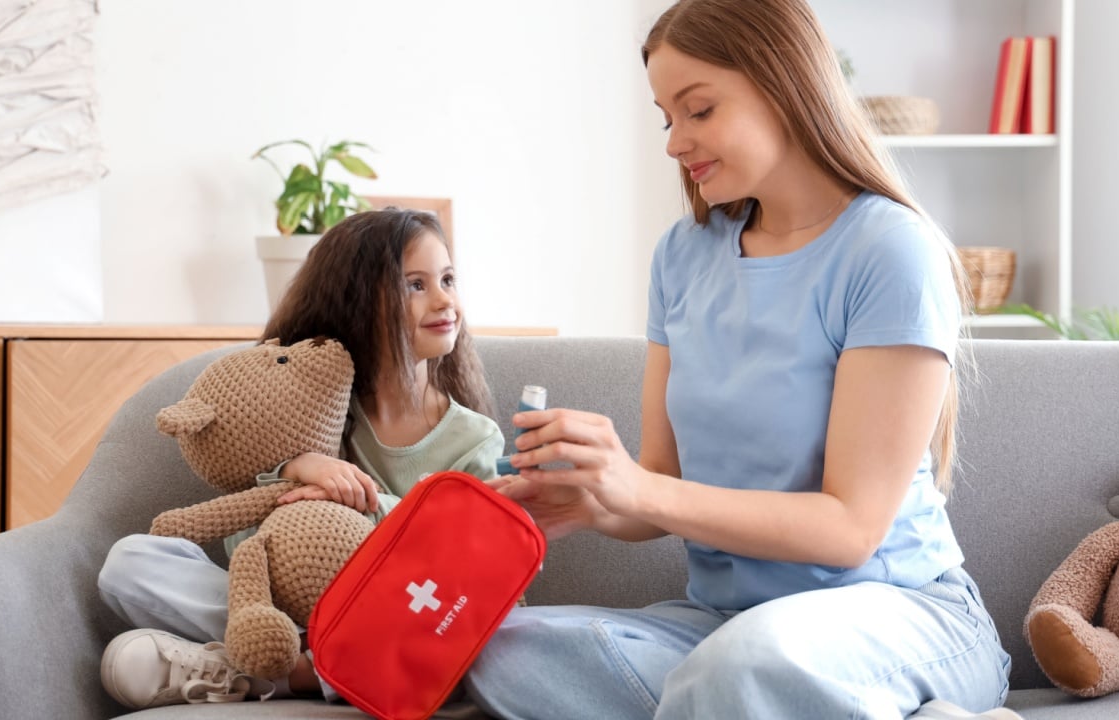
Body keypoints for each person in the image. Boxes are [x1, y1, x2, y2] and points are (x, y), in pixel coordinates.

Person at [462, 1, 1020, 719]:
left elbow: (851, 529)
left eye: (698, 110)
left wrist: (640, 489)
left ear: (785, 85)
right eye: (666, 117)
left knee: (744, 666)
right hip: (727, 626)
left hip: (897, 615)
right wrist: (602, 500)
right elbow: (663, 482)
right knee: (500, 649)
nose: (674, 142)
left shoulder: (888, 251)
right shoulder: (681, 257)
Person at [96, 208, 505, 709]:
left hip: (391, 623)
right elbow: (249, 543)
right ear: (359, 302)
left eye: (446, 279)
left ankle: (269, 673)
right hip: (286, 608)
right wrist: (293, 470)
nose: (445, 300)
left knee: (477, 648)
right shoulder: (311, 402)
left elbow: (469, 577)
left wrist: (371, 501)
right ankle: (288, 658)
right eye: (415, 285)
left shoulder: (474, 439)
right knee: (129, 562)